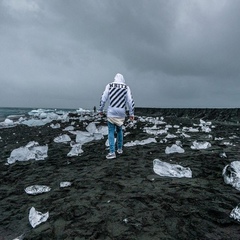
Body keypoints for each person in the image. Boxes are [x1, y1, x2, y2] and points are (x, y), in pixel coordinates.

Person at [99, 73, 135, 159]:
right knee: (119, 130)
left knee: (111, 131)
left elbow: (103, 98)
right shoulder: (126, 87)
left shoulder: (110, 85)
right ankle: (119, 149)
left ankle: (112, 152)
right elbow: (130, 101)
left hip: (111, 111)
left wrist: (100, 109)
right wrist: (131, 113)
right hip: (121, 112)